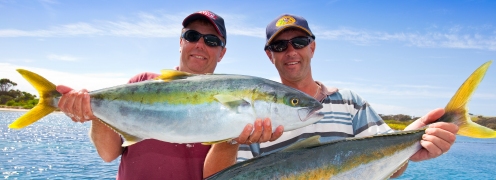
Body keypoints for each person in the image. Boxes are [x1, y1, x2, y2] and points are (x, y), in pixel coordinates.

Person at [204, 14, 459, 178]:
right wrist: (231, 139)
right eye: (280, 46)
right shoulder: (256, 112)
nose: (291, 51)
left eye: (299, 42)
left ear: (312, 47)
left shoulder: (350, 102)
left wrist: (411, 148)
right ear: (270, 55)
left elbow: (388, 170)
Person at [55, 10, 282, 180]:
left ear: (222, 53)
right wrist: (92, 109)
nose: (200, 45)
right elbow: (107, 154)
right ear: (181, 42)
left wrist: (233, 136)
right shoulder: (142, 83)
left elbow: (214, 176)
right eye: (192, 36)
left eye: (212, 41)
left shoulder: (239, 106)